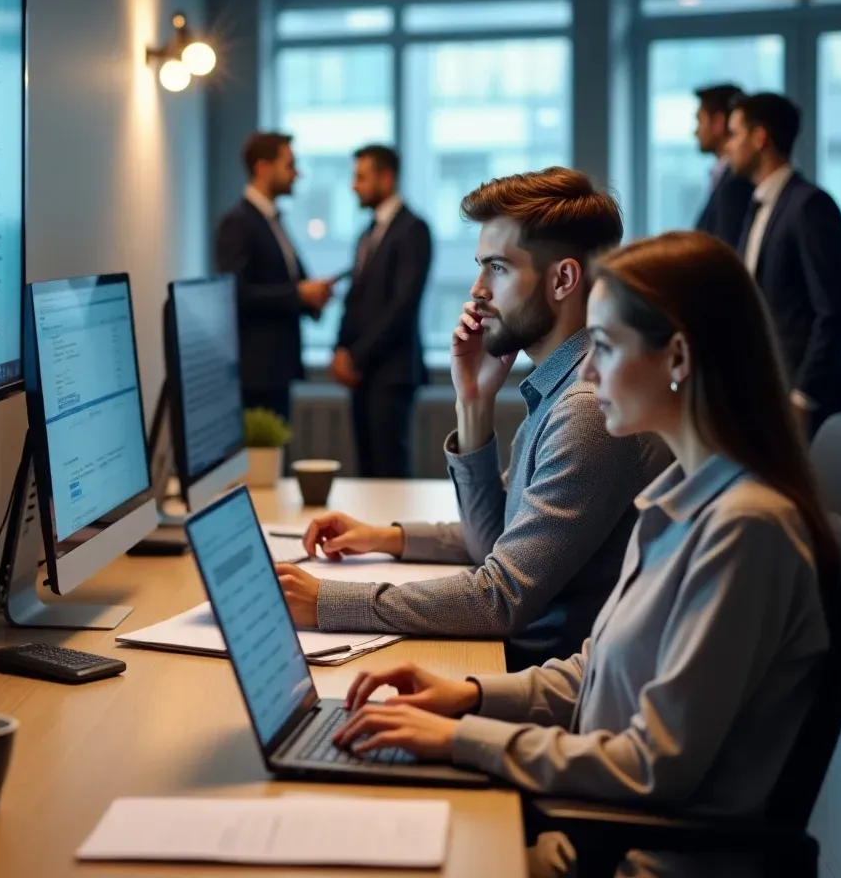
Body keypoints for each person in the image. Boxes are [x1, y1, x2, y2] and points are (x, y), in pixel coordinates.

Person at [330, 231, 838, 878]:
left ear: (677, 356)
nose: (588, 372)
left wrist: (465, 740)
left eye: (603, 346)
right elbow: (597, 674)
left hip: (632, 860)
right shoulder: (677, 498)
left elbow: (652, 765)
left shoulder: (745, 530)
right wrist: (466, 694)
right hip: (591, 834)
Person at [276, 168, 670, 670]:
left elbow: (499, 597)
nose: (478, 290)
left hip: (546, 678)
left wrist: (329, 601)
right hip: (519, 662)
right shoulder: (559, 385)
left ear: (563, 279)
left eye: (498, 269)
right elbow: (500, 537)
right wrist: (473, 402)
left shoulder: (586, 408)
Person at [727, 93, 841, 437]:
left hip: (808, 409)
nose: (729, 146)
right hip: (767, 397)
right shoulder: (757, 207)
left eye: (735, 133)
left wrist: (802, 397)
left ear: (760, 138)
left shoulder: (810, 206)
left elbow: (833, 312)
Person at [215, 131, 335, 423]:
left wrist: (311, 298)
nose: (297, 174)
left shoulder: (272, 220)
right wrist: (299, 295)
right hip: (256, 373)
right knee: (262, 463)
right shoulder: (238, 222)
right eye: (290, 165)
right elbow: (236, 293)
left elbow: (284, 284)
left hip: (275, 369)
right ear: (262, 167)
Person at [332, 145, 432, 479]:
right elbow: (355, 300)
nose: (353, 185)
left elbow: (402, 308)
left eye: (361, 177)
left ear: (386, 178)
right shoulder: (366, 233)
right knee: (366, 471)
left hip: (392, 373)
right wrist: (340, 350)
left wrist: (355, 358)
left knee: (388, 473)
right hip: (362, 374)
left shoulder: (413, 230)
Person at [691, 82, 753, 248]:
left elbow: (724, 248)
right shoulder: (724, 176)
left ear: (718, 122)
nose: (695, 132)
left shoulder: (736, 182)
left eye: (699, 120)